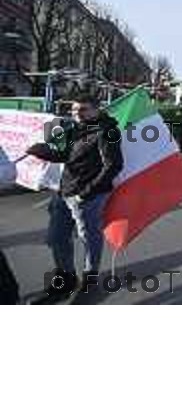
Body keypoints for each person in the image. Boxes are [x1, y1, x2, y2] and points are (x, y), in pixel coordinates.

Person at [26, 94, 123, 302]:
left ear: (97, 109)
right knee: (56, 238)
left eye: (83, 109)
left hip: (88, 195)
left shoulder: (109, 131)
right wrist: (40, 151)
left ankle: (89, 280)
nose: (77, 114)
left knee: (89, 238)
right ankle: (66, 278)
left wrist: (86, 193)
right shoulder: (75, 128)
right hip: (65, 191)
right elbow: (66, 156)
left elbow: (114, 165)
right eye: (74, 110)